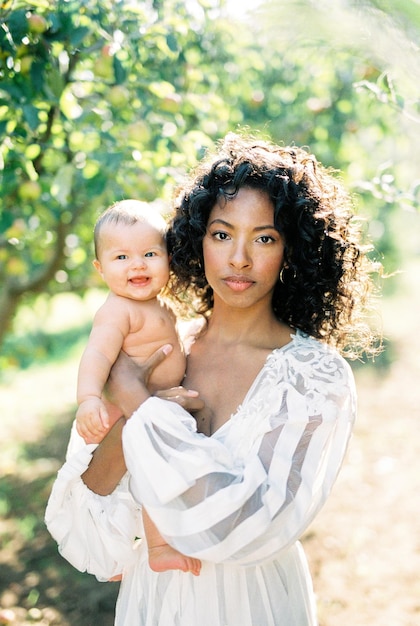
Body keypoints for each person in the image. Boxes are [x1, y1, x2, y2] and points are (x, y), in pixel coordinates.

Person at [46, 133, 380, 626]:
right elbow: (86, 522)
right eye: (222, 234)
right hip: (155, 600)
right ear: (195, 239)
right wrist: (130, 410)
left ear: (293, 251)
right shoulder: (159, 352)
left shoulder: (315, 376)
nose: (239, 259)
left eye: (264, 238)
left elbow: (257, 526)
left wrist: (140, 402)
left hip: (256, 605)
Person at [74, 198, 201, 576]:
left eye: (149, 253)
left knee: (142, 485)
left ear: (167, 258)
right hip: (132, 414)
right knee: (143, 481)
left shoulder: (162, 303)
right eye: (122, 258)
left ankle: (115, 553)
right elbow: (96, 355)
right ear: (100, 269)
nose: (138, 265)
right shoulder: (117, 310)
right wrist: (88, 399)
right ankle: (156, 548)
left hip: (159, 408)